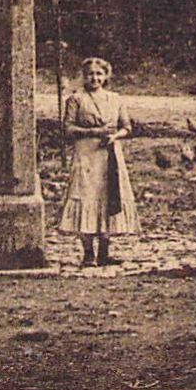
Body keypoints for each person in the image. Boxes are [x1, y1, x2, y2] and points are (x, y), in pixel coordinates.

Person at [58, 57, 138, 267]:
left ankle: (104, 252)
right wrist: (94, 131)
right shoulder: (76, 99)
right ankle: (87, 253)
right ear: (84, 77)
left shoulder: (115, 99)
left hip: (110, 154)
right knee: (86, 197)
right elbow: (68, 128)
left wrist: (115, 136)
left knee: (108, 197)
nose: (95, 78)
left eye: (99, 74)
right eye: (90, 74)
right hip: (86, 154)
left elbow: (127, 127)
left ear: (106, 76)